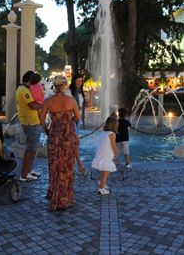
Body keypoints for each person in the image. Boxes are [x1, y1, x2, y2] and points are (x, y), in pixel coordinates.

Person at [39, 75, 83, 210]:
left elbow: (42, 121)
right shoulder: (71, 101)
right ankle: (65, 198)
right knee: (67, 167)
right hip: (68, 135)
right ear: (65, 86)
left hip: (54, 134)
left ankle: (54, 195)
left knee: (54, 166)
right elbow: (78, 118)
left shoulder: (48, 101)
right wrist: (67, 118)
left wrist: (48, 130)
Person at [16, 70, 43, 182]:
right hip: (30, 122)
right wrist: (45, 105)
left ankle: (29, 170)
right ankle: (24, 174)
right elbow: (32, 105)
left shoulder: (23, 89)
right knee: (30, 149)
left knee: (33, 148)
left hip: (32, 121)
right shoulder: (23, 90)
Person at [92, 115, 119, 195]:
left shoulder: (103, 133)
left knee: (107, 170)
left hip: (101, 154)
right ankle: (101, 189)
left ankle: (101, 182)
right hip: (105, 156)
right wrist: (116, 152)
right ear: (114, 125)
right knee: (105, 172)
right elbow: (113, 146)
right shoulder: (112, 134)